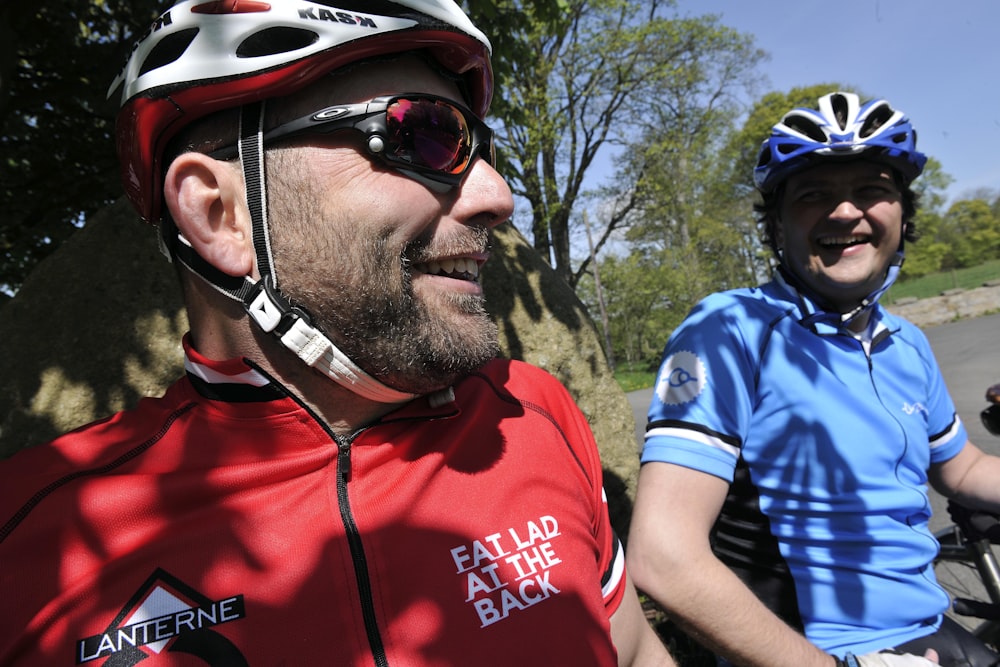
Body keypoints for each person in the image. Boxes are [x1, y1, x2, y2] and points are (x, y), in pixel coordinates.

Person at [0, 2, 673, 665]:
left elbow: (632, 648)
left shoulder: (534, 411)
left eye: (482, 148)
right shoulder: (25, 546)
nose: (497, 196)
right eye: (426, 133)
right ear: (219, 214)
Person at [627, 91, 1000, 667]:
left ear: (904, 212)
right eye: (814, 196)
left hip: (926, 628)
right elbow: (664, 554)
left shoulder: (907, 343)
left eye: (872, 190)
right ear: (776, 224)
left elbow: (961, 468)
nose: (846, 212)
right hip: (822, 652)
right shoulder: (730, 330)